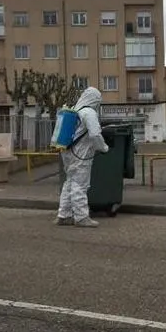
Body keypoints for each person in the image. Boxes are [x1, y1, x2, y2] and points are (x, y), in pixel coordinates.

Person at [57, 87, 109, 228]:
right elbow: (95, 134)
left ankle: (64, 215)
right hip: (81, 154)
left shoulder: (75, 110)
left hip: (67, 151)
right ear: (95, 100)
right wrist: (104, 148)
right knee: (80, 184)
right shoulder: (89, 112)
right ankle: (81, 217)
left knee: (69, 182)